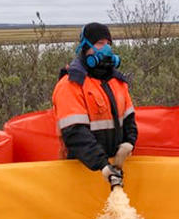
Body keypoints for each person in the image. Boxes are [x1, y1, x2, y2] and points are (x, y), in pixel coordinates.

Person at [52, 22, 137, 189]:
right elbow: (75, 133)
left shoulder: (117, 82)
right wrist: (102, 165)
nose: (105, 49)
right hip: (81, 171)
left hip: (113, 171)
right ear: (85, 47)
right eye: (100, 43)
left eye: (108, 44)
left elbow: (130, 120)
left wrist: (129, 143)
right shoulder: (71, 85)